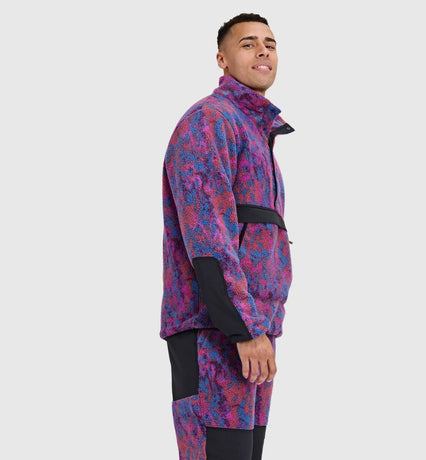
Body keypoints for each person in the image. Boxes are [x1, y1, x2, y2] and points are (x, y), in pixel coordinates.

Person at [159, 12, 295, 460]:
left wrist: (261, 329)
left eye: (270, 44)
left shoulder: (256, 133)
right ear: (222, 59)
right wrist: (244, 330)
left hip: (255, 332)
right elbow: (208, 241)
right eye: (248, 43)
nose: (262, 51)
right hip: (214, 333)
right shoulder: (209, 121)